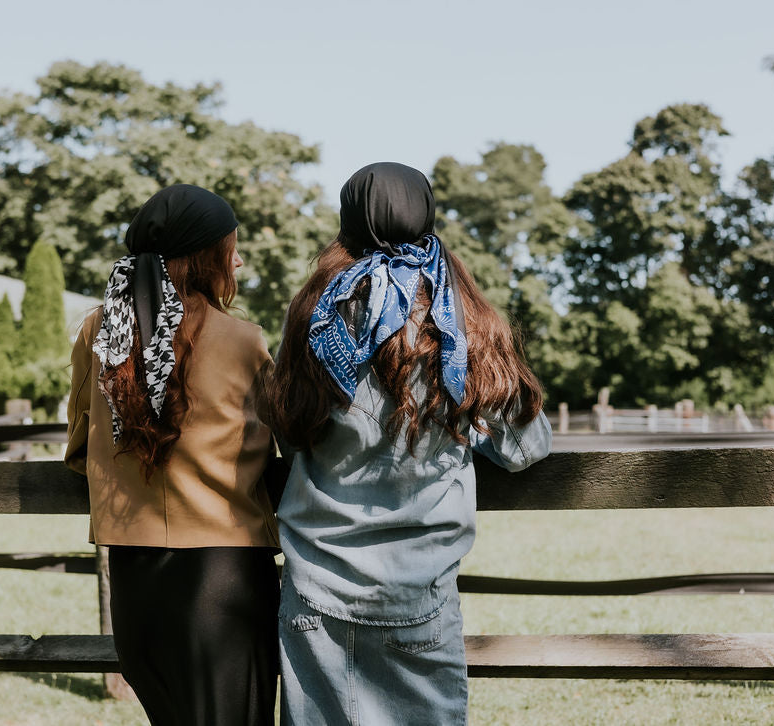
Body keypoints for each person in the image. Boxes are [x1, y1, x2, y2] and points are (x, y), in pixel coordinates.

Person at [265, 162, 552, 725]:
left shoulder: (311, 320)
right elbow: (525, 449)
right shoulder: (464, 326)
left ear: (346, 223)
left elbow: (289, 432)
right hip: (415, 591)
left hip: (314, 585)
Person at [64, 184, 280, 726]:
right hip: (226, 571)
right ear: (206, 255)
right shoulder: (243, 340)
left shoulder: (98, 333)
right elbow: (288, 443)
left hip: (135, 573)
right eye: (232, 246)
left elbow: (77, 447)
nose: (238, 258)